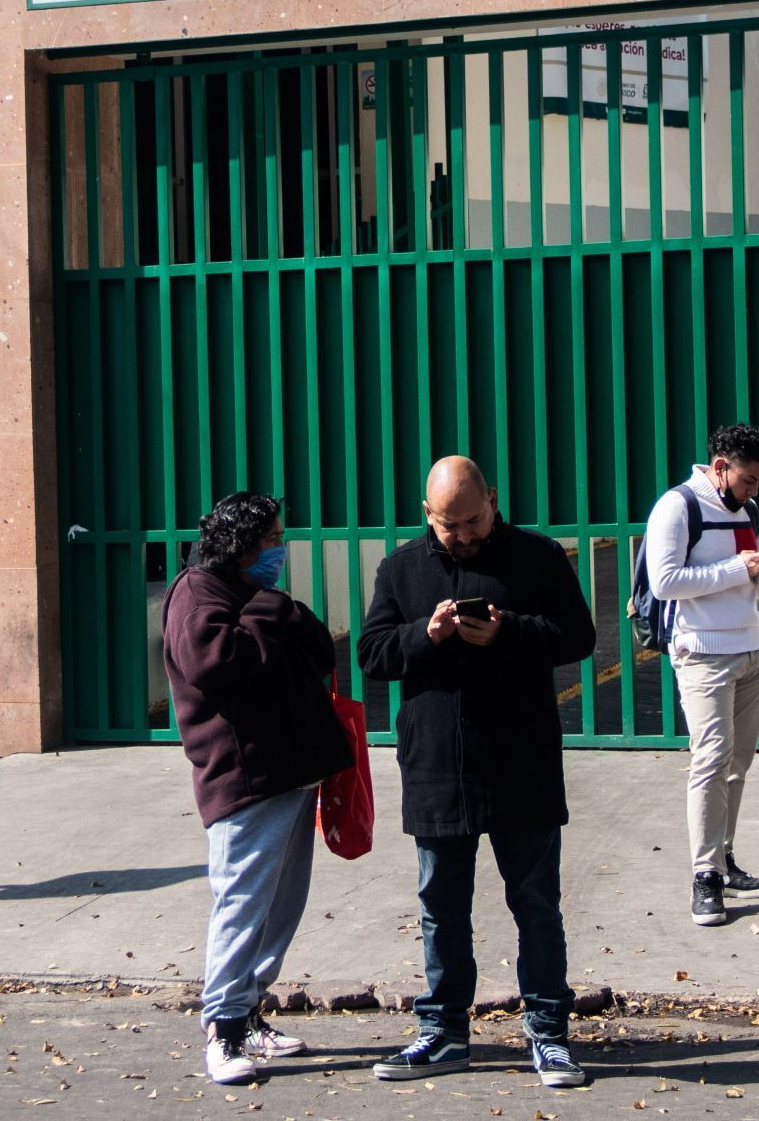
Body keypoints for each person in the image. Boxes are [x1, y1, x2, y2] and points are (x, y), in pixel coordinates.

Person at [357, 457, 596, 1089]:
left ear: (493, 499)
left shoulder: (539, 557)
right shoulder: (401, 568)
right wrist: (424, 635)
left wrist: (508, 632)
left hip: (522, 762)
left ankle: (548, 1032)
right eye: (448, 525)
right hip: (438, 764)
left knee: (536, 903)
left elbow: (578, 635)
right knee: (441, 906)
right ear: (426, 514)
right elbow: (373, 654)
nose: (462, 536)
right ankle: (443, 1032)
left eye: (472, 520)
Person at [161, 492, 351, 1087]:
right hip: (245, 777)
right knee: (243, 901)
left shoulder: (251, 595)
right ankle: (221, 1026)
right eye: (270, 540)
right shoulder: (199, 594)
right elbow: (218, 663)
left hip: (290, 771)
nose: (279, 550)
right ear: (240, 545)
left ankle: (249, 1011)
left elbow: (317, 651)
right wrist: (272, 610)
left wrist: (281, 611)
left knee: (279, 903)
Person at [644, 423, 759, 928]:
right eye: (749, 480)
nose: (754, 492)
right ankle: (704, 877)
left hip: (752, 647)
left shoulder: (747, 509)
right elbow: (664, 583)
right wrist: (738, 568)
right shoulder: (677, 506)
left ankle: (724, 859)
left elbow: (748, 588)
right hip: (702, 652)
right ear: (721, 466)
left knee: (737, 764)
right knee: (709, 760)